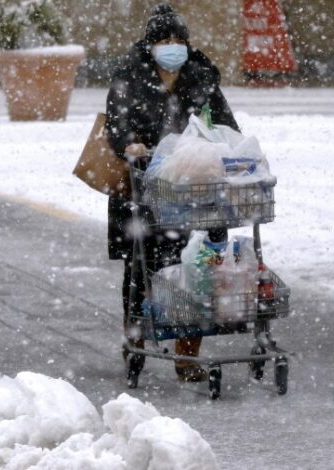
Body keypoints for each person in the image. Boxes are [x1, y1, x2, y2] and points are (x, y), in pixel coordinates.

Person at [105, 3, 239, 383]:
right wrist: (131, 145)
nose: (172, 47)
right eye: (164, 40)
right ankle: (135, 342)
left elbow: (227, 125)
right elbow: (117, 124)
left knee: (196, 268)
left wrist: (229, 151)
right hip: (146, 187)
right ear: (150, 45)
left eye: (178, 40)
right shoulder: (129, 78)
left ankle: (186, 356)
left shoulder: (200, 77)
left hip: (195, 186)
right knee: (142, 266)